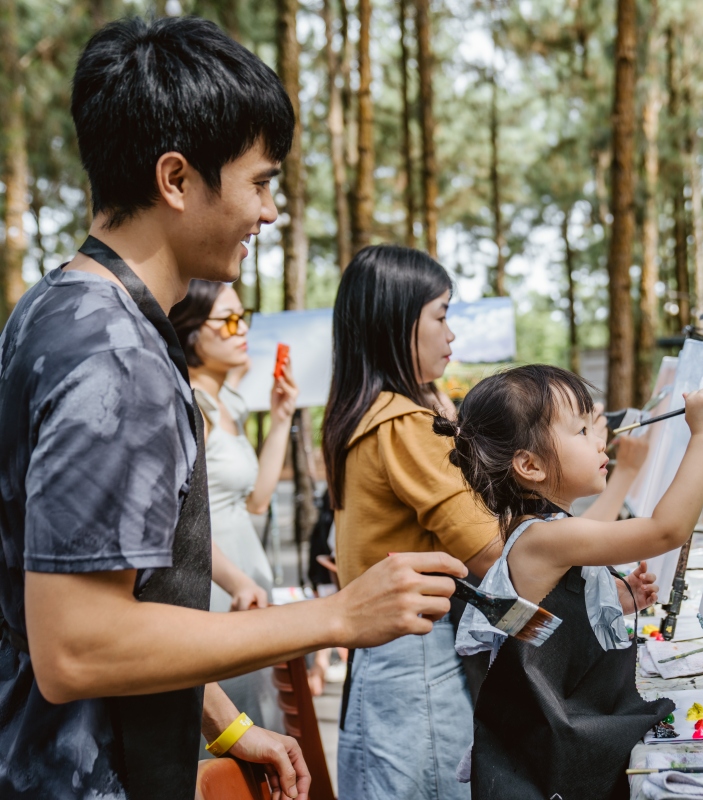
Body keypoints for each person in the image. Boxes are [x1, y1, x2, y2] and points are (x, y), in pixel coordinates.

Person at [0, 17, 465, 800]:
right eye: (260, 182)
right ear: (176, 180)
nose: (270, 213)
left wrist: (225, 721)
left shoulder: (53, 311)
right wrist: (336, 618)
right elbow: (76, 645)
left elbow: (114, 595)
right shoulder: (116, 356)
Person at [322, 246, 660, 799]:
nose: (451, 334)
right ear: (395, 325)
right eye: (441, 314)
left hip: (394, 662)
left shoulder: (367, 416)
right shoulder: (405, 425)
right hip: (421, 668)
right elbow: (497, 557)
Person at [438, 365, 703, 799]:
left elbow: (537, 626)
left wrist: (611, 602)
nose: (600, 439)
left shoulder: (537, 529)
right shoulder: (543, 537)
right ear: (530, 465)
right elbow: (667, 530)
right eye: (581, 430)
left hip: (547, 754)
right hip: (548, 767)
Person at [170, 279, 300, 735]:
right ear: (189, 333)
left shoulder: (227, 403)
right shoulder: (190, 408)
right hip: (218, 590)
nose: (241, 329)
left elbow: (257, 501)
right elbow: (176, 522)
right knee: (229, 734)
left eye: (242, 317)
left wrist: (281, 419)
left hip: (247, 589)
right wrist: (238, 580)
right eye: (227, 320)